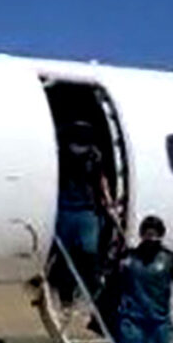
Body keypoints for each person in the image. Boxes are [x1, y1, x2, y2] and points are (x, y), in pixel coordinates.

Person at [51, 121, 113, 308]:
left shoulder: (94, 156)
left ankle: (93, 291)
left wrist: (108, 200)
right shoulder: (59, 155)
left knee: (89, 253)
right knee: (64, 253)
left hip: (87, 209)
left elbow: (101, 179)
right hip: (66, 208)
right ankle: (66, 293)